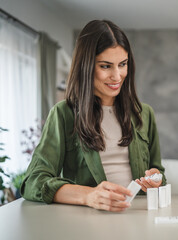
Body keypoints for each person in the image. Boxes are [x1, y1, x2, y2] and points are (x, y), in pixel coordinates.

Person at [21, 20, 166, 212]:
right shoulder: (63, 114)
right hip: (86, 220)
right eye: (106, 66)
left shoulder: (144, 114)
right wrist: (88, 195)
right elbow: (33, 182)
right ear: (86, 66)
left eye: (122, 64)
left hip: (136, 218)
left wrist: (156, 179)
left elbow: (159, 171)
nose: (117, 76)